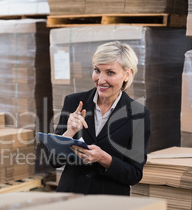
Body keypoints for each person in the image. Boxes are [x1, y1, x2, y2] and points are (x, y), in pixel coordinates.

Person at [51, 41, 151, 196]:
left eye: (110, 73)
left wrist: (104, 159)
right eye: (97, 70)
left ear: (127, 74)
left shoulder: (138, 114)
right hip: (71, 197)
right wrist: (69, 133)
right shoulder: (73, 102)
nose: (101, 79)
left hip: (109, 203)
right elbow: (54, 161)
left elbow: (134, 174)